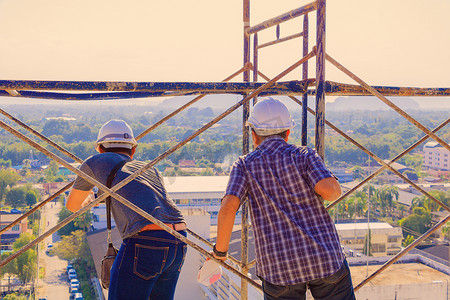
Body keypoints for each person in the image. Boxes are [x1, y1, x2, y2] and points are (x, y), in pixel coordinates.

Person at [213, 98, 355, 300]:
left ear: (253, 135)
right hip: (324, 258)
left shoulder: (244, 165)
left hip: (279, 270)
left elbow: (228, 208)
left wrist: (220, 252)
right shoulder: (305, 155)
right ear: (288, 133)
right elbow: (331, 192)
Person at [66, 119, 187, 300]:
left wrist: (89, 201)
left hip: (146, 240)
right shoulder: (148, 170)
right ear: (133, 150)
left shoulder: (94, 162)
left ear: (99, 148)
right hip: (179, 240)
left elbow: (73, 205)